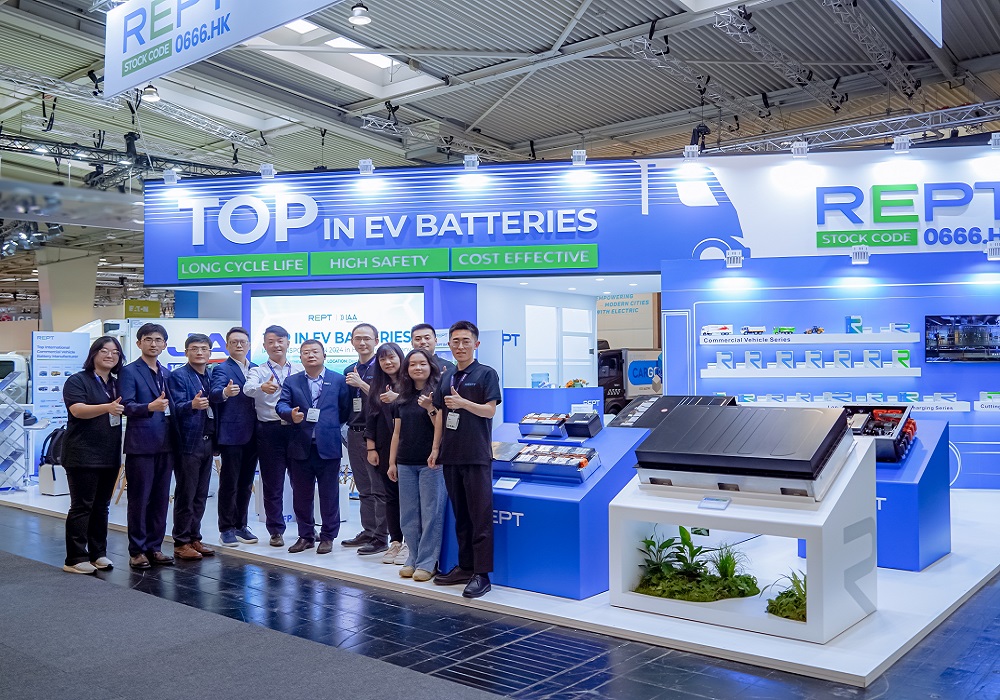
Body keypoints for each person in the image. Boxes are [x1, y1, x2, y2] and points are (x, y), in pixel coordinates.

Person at [429, 320, 501, 599]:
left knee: (479, 516)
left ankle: (482, 575)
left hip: (476, 455)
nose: (460, 346)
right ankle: (465, 566)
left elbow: (489, 411)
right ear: (449, 344)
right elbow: (440, 415)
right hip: (451, 455)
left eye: (465, 341)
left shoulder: (486, 373)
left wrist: (464, 404)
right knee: (460, 516)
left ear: (476, 344)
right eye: (455, 341)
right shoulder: (446, 376)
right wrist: (435, 448)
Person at [276, 340, 351, 554]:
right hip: (300, 445)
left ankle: (328, 536)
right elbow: (281, 404)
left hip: (328, 446)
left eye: (315, 351)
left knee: (329, 495)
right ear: (300, 357)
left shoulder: (338, 380)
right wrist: (290, 414)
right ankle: (306, 536)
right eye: (305, 352)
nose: (310, 355)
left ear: (324, 355)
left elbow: (344, 410)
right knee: (301, 495)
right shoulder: (292, 381)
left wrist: (328, 426)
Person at [60, 336, 126, 574]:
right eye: (104, 351)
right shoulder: (78, 380)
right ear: (94, 354)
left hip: (109, 453)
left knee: (102, 506)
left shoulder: (116, 383)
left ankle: (98, 553)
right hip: (82, 453)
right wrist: (107, 407)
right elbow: (77, 410)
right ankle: (75, 558)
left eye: (115, 352)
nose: (110, 355)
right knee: (82, 506)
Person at [119, 322, 175, 569]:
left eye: (158, 340)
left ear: (165, 345)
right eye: (149, 339)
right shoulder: (129, 372)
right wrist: (149, 407)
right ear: (139, 342)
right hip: (141, 444)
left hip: (166, 443)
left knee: (161, 498)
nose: (154, 344)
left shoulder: (167, 374)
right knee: (139, 499)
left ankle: (155, 546)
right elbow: (125, 406)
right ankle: (137, 550)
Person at [388, 348, 444, 582]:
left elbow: (441, 425)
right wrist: (392, 462)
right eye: (412, 364)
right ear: (406, 369)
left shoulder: (437, 393)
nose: (417, 368)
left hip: (431, 462)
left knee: (431, 513)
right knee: (408, 514)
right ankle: (413, 556)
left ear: (430, 366)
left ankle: (428, 562)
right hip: (405, 461)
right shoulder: (402, 397)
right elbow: (396, 433)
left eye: (422, 363)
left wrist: (430, 408)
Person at [244, 325, 302, 548]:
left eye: (280, 340)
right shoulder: (258, 371)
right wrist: (262, 387)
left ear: (288, 343)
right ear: (264, 345)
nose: (276, 345)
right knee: (272, 484)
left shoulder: (298, 368)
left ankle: (305, 529)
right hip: (269, 431)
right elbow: (248, 389)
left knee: (301, 482)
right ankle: (276, 530)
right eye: (271, 341)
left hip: (296, 430)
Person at [166, 334, 217, 561]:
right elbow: (174, 407)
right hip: (188, 442)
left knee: (201, 494)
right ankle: (181, 541)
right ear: (186, 352)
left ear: (210, 353)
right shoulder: (179, 376)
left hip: (208, 440)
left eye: (204, 348)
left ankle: (195, 536)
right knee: (186, 493)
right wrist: (192, 404)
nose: (199, 352)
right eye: (194, 348)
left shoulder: (210, 375)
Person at [341, 322, 388, 556]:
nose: (362, 342)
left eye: (367, 338)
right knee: (363, 487)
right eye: (357, 338)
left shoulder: (384, 367)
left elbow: (384, 399)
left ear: (376, 340)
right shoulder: (349, 369)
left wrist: (361, 384)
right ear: (351, 341)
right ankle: (369, 531)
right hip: (354, 432)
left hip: (377, 434)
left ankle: (382, 536)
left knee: (379, 488)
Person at [210, 326, 259, 548]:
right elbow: (214, 394)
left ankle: (241, 525)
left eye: (243, 342)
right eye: (234, 342)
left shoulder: (257, 368)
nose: (239, 345)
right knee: (230, 483)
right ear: (227, 345)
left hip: (255, 434)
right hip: (232, 434)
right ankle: (226, 529)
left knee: (246, 483)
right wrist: (225, 393)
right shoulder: (222, 369)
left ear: (248, 345)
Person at [363, 342, 407, 565]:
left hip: (409, 448)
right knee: (391, 497)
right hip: (383, 448)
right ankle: (395, 541)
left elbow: (417, 407)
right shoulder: (377, 386)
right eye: (383, 359)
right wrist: (371, 448)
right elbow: (370, 419)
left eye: (392, 357)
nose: (388, 362)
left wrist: (397, 397)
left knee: (409, 497)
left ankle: (410, 542)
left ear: (400, 358)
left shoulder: (411, 383)